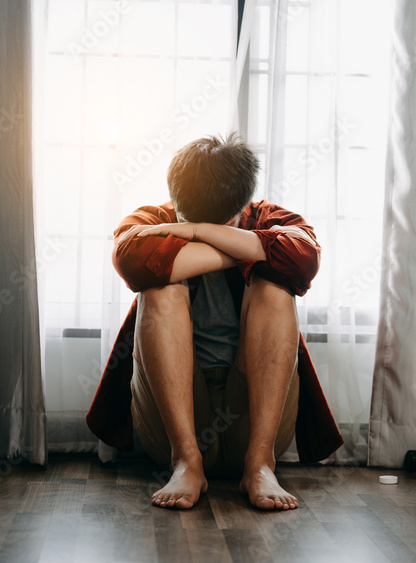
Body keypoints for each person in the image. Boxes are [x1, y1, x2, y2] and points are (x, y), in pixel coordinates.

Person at [86, 132, 342, 511]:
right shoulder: (155, 218)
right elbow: (131, 257)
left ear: (243, 204)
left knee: (275, 288)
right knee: (159, 287)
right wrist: (242, 247)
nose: (196, 227)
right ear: (175, 200)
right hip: (176, 422)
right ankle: (187, 463)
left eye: (219, 225)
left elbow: (303, 259)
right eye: (189, 220)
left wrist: (196, 233)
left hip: (252, 417)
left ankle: (259, 466)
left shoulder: (272, 217)